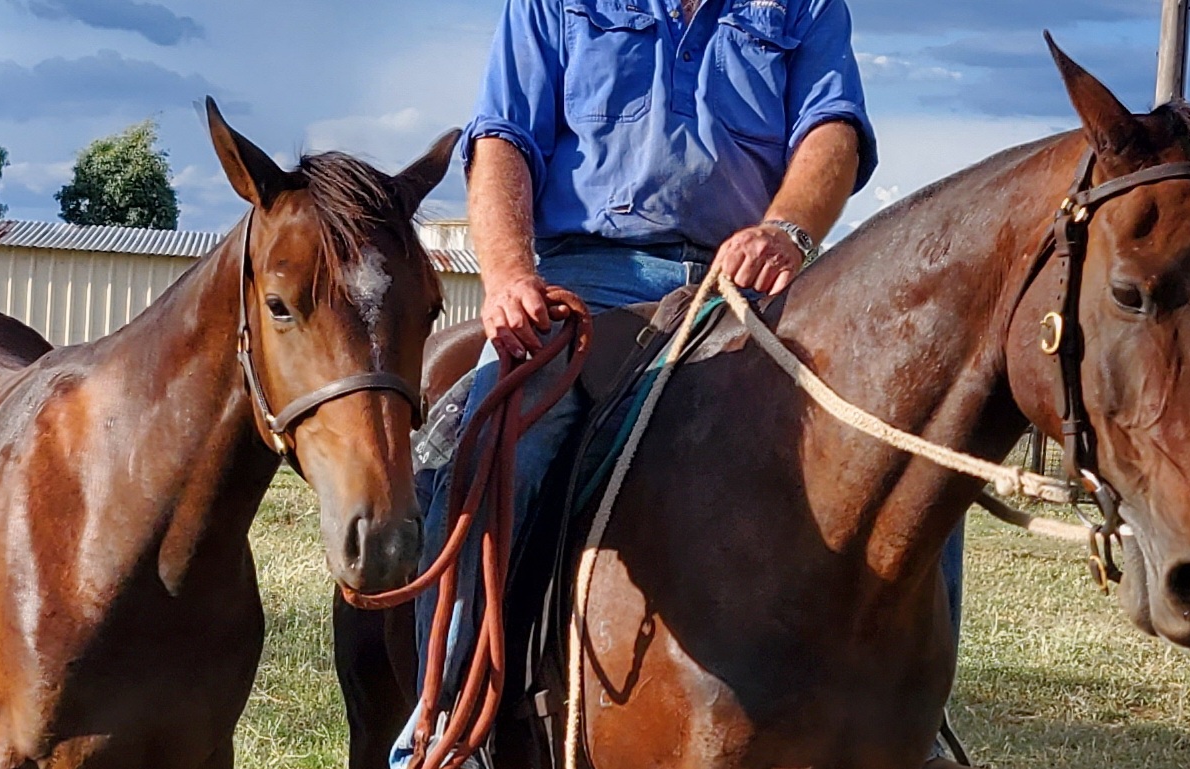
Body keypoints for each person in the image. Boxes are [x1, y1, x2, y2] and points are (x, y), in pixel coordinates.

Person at [395, 0, 966, 766]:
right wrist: (506, 276)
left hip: (754, 285)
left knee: (908, 435)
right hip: (590, 279)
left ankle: (912, 722)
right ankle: (447, 726)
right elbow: (503, 140)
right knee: (498, 443)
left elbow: (830, 128)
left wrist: (785, 229)